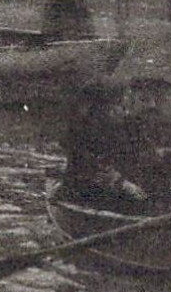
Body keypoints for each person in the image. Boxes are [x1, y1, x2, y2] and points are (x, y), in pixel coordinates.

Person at [59, 81, 148, 212]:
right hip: (87, 192)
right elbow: (91, 167)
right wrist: (122, 183)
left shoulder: (122, 129)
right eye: (120, 105)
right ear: (103, 108)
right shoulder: (81, 132)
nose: (126, 111)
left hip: (115, 186)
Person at [118, 76, 171, 209]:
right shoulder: (127, 126)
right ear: (134, 98)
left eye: (157, 97)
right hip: (141, 188)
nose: (152, 104)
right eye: (144, 98)